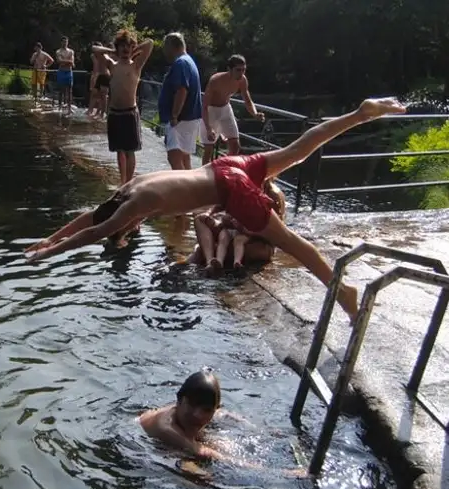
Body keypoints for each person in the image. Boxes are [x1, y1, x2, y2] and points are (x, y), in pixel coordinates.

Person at [24, 97, 410, 322]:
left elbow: (94, 231)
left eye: (124, 229)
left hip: (230, 188)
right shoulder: (132, 185)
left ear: (127, 221)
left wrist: (50, 254)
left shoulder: (136, 202)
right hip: (225, 166)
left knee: (291, 242)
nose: (124, 231)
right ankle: (361, 113)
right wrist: (49, 237)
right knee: (296, 152)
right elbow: (93, 217)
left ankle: (342, 292)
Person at [138, 369, 308, 477]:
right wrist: (279, 473)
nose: (197, 415)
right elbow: (206, 453)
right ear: (180, 400)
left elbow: (223, 414)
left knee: (225, 444)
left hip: (183, 438)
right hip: (147, 445)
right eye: (192, 405)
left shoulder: (192, 412)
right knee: (198, 474)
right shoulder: (166, 428)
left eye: (206, 410)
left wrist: (263, 431)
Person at [92, 30, 154, 185]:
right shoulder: (112, 65)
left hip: (130, 113)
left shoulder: (136, 65)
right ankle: (123, 181)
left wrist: (135, 48)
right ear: (118, 48)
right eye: (122, 46)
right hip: (114, 113)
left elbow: (150, 44)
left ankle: (129, 182)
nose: (125, 50)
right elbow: (95, 49)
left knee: (130, 150)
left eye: (128, 46)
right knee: (119, 151)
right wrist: (112, 50)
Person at [188, 180, 285, 274]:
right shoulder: (243, 184)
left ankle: (211, 258)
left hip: (257, 241)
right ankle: (210, 261)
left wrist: (241, 227)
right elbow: (222, 206)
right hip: (234, 230)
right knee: (200, 219)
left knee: (206, 249)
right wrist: (211, 214)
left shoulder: (273, 195)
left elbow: (272, 232)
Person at [200, 55, 264, 165]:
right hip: (211, 111)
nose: (241, 73)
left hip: (225, 109)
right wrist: (208, 129)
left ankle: (223, 169)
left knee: (235, 146)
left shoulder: (242, 80)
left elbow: (247, 100)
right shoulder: (216, 80)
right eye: (238, 70)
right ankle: (205, 178)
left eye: (243, 70)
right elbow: (205, 106)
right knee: (208, 149)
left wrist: (255, 113)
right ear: (229, 69)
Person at [158, 32, 202, 171]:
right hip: (190, 117)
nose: (165, 52)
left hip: (181, 119)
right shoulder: (189, 61)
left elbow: (182, 89)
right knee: (184, 157)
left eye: (166, 47)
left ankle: (182, 190)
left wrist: (174, 115)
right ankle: (192, 189)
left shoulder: (180, 63)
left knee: (174, 157)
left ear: (172, 46)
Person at [87, 42, 112, 119]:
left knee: (103, 96)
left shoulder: (105, 56)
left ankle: (102, 114)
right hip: (99, 76)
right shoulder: (95, 56)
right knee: (95, 93)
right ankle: (93, 111)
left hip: (105, 76)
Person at [55, 37, 76, 114]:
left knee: (70, 90)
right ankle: (60, 106)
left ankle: (69, 108)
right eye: (63, 42)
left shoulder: (71, 51)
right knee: (61, 90)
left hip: (69, 72)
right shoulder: (58, 51)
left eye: (66, 42)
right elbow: (59, 61)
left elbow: (72, 62)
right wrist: (68, 61)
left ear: (68, 42)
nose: (65, 43)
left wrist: (65, 61)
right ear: (61, 42)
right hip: (61, 71)